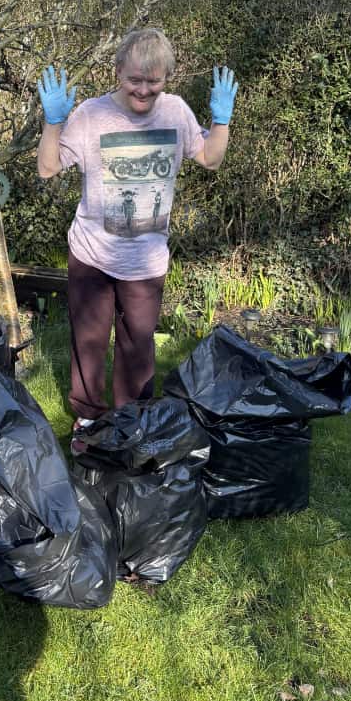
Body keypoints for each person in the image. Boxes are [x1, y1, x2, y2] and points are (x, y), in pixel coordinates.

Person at [36, 27, 237, 426]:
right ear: (117, 72)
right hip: (92, 252)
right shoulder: (92, 115)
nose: (143, 90)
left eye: (154, 81)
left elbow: (210, 159)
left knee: (138, 348)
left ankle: (133, 423)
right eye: (135, 80)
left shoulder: (176, 112)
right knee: (89, 344)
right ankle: (88, 421)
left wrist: (222, 121)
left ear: (167, 79)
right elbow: (47, 167)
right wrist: (52, 123)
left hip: (145, 261)